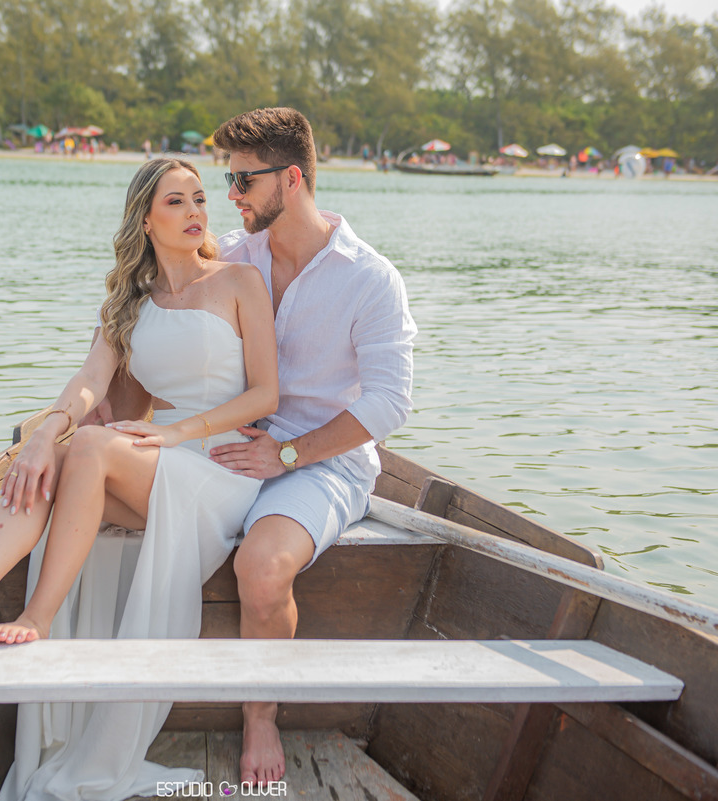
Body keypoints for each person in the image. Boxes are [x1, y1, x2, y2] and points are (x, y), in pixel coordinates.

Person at [0, 156, 278, 800]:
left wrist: (176, 432)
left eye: (200, 199)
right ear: (145, 221)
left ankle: (38, 618)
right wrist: (44, 432)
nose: (196, 212)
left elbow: (266, 393)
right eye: (176, 202)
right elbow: (91, 381)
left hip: (220, 465)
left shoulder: (239, 282)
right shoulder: (130, 303)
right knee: (52, 460)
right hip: (153, 464)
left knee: (89, 448)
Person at [207, 108, 416, 785]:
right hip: (230, 445)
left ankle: (260, 713)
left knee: (263, 566)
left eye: (243, 180)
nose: (231, 195)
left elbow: (388, 404)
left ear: (290, 179)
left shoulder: (370, 278)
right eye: (227, 179)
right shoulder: (232, 257)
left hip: (323, 464)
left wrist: (288, 456)